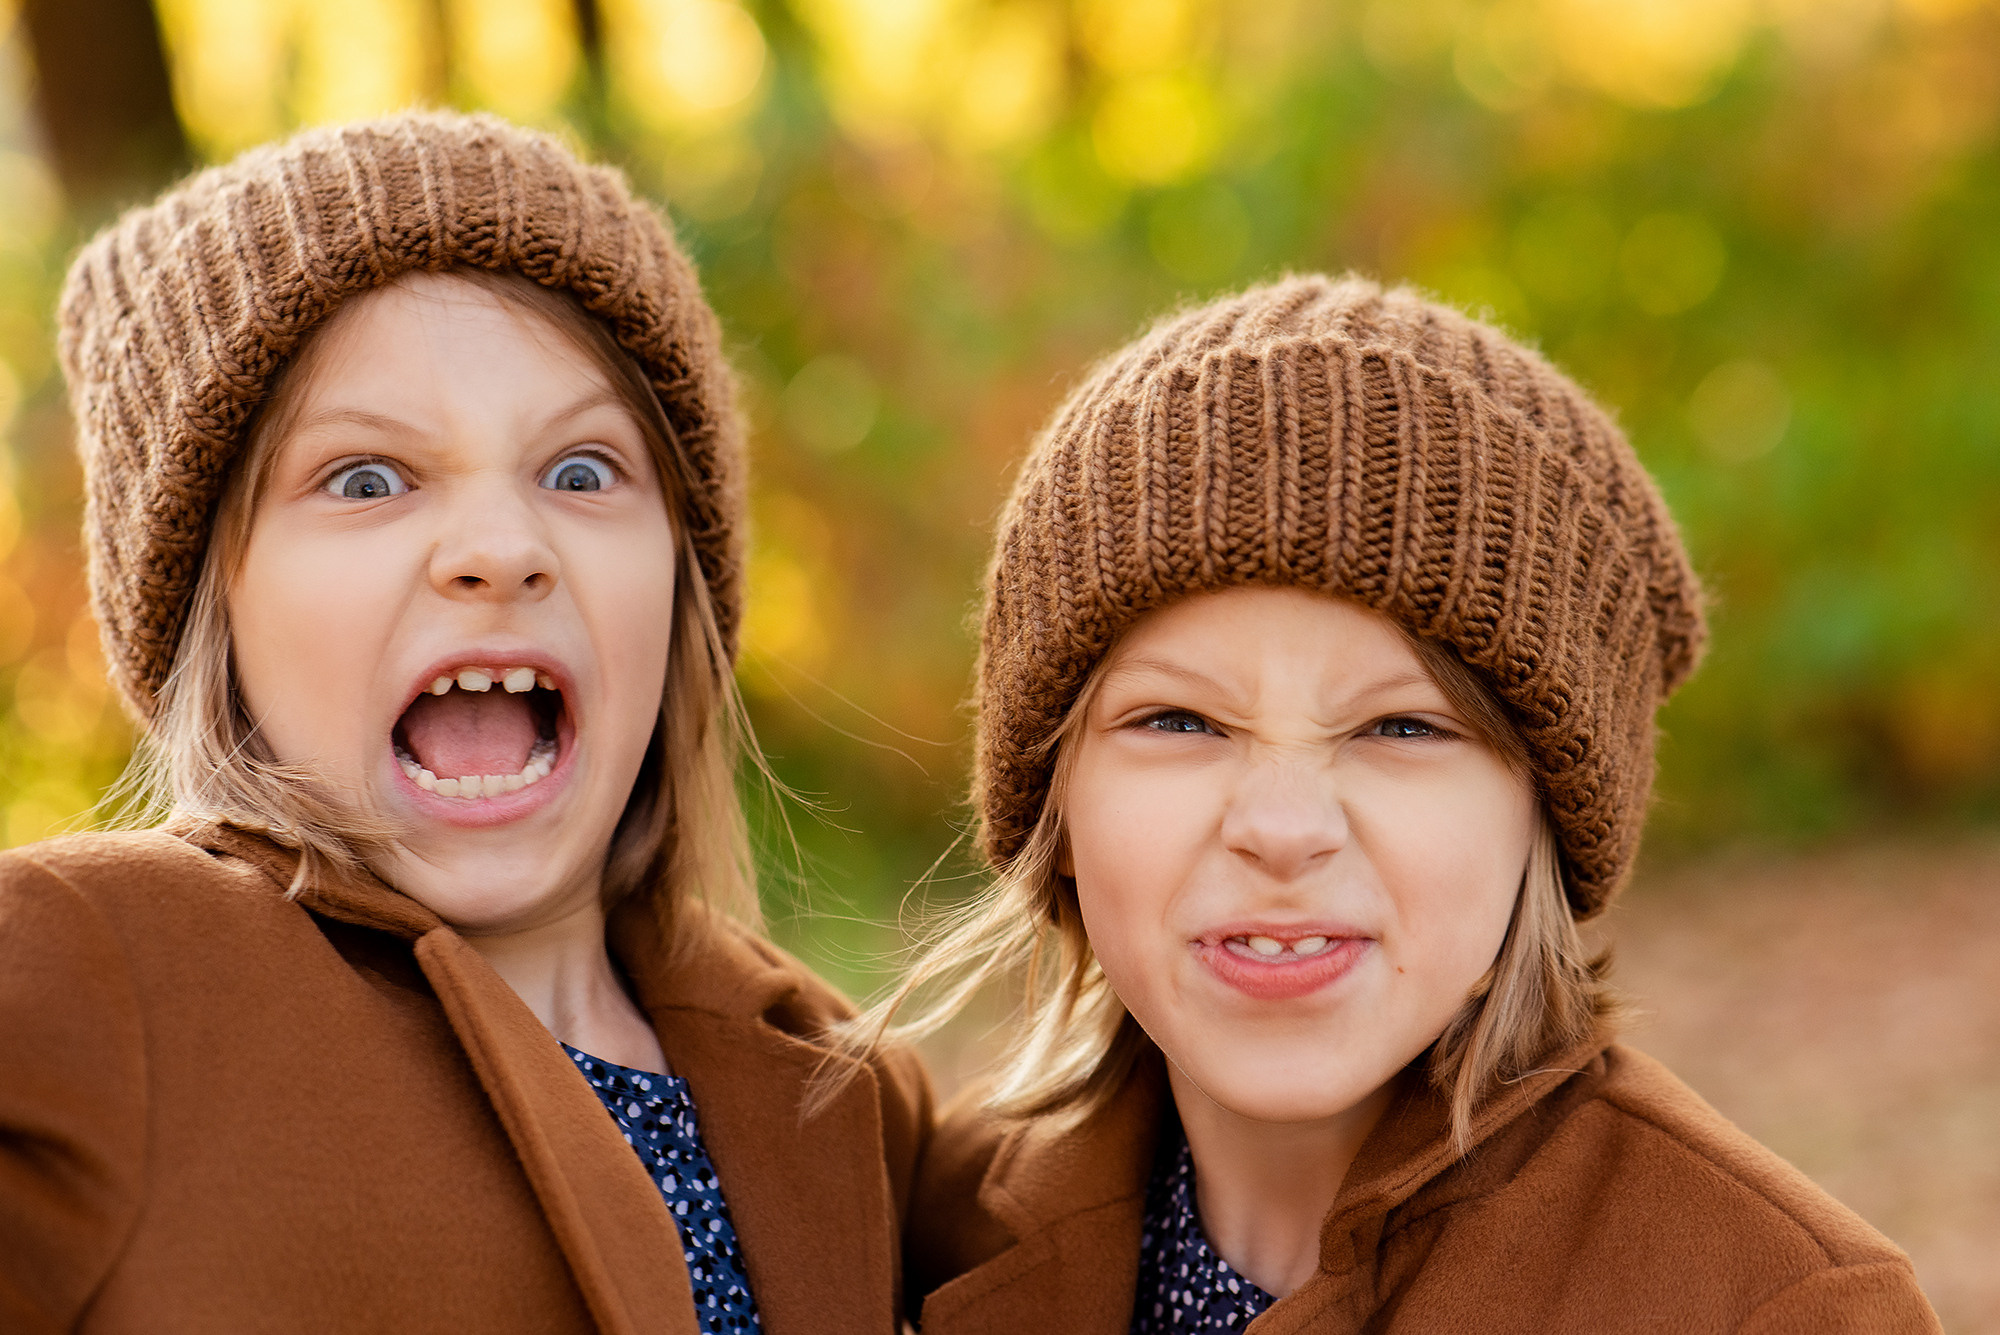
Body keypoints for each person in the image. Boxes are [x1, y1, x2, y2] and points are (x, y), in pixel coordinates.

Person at [0, 111, 928, 1335]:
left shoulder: (841, 1083)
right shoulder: (93, 972)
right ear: (210, 603)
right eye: (366, 479)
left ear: (679, 577)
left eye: (583, 471)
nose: (501, 550)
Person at [874, 276, 1941, 1333]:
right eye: (1178, 723)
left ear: (1545, 817)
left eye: (1402, 729)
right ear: (1053, 805)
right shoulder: (927, 1227)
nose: (1282, 830)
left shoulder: (1773, 1306)